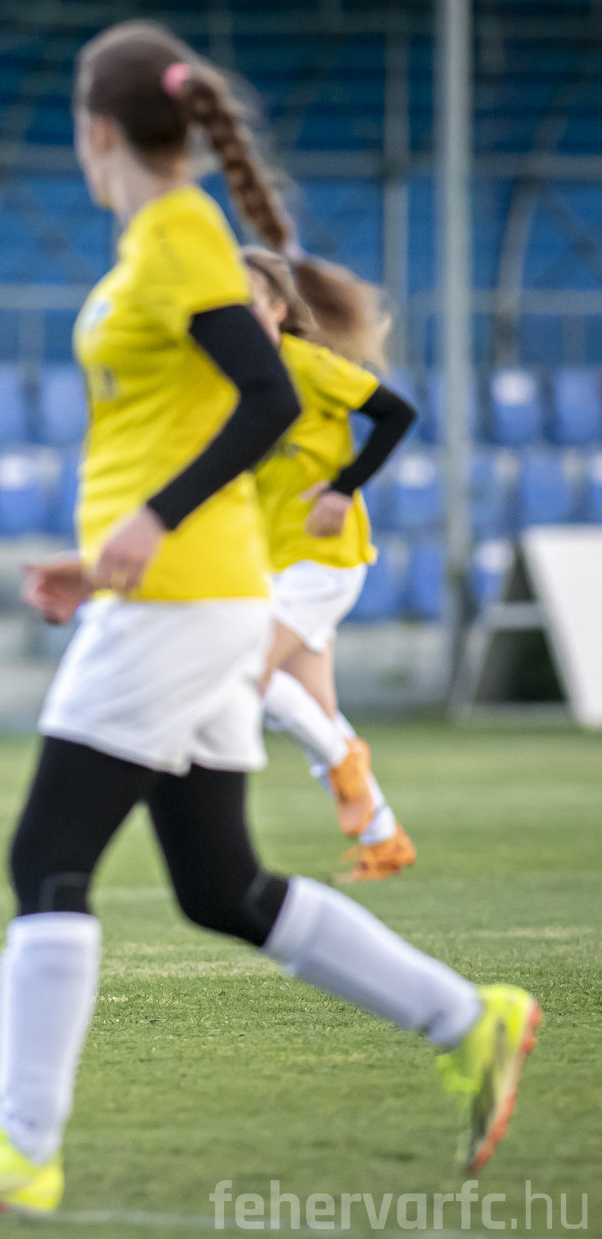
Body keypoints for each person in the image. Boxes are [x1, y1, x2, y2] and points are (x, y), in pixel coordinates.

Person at [0, 23, 538, 1214]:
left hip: (183, 598)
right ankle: (468, 1016)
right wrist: (101, 557)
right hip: (184, 587)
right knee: (220, 883)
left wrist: (153, 523)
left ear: (96, 131)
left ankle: (24, 1143)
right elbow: (175, 423)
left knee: (46, 853)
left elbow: (269, 392)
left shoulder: (179, 234)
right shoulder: (164, 238)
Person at [242, 245, 419, 881]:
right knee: (315, 709)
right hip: (273, 561)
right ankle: (383, 839)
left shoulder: (307, 364)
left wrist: (343, 488)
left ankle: (346, 761)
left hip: (323, 560)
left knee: (242, 670)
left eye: (248, 303)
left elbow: (396, 413)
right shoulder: (228, 380)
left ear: (277, 309)